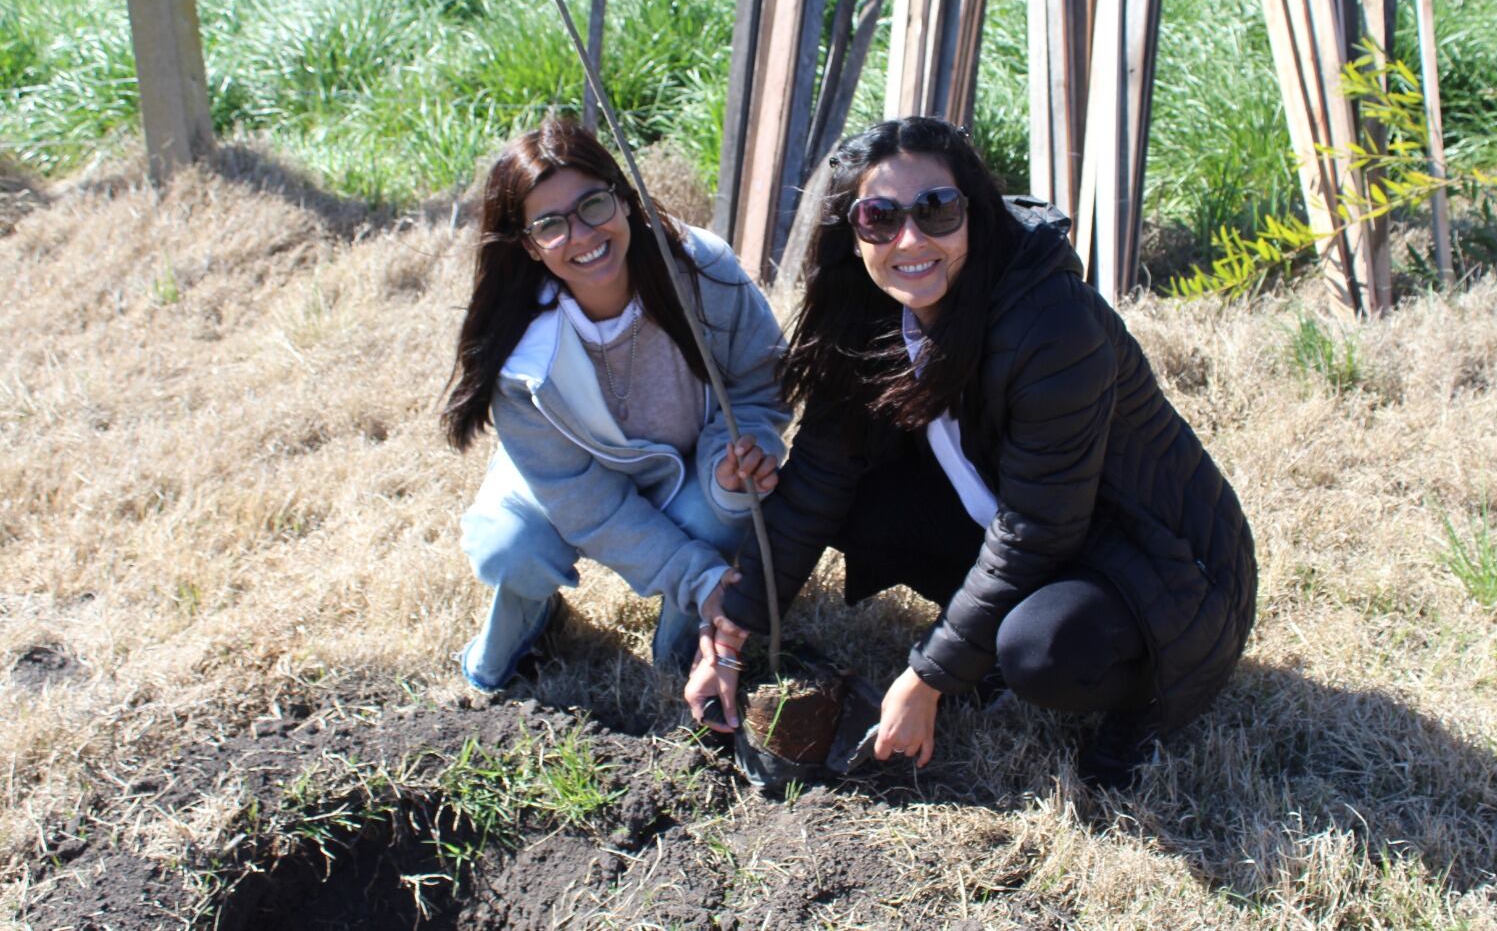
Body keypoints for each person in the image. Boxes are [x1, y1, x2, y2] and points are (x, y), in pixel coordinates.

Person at [686, 116, 1256, 788]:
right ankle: (992, 636)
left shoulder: (1052, 325)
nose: (911, 239)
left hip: (1162, 566)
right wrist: (735, 627)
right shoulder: (878, 310)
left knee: (1039, 651)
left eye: (936, 210)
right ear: (853, 232)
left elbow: (1040, 528)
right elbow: (818, 478)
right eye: (880, 217)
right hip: (1040, 535)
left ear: (975, 213)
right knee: (853, 500)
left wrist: (929, 676)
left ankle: (1146, 704)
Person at [442, 117, 788, 693]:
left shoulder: (702, 272)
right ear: (529, 245)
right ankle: (526, 623)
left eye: (593, 205)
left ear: (624, 201)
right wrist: (695, 573)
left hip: (688, 470)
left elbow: (760, 383)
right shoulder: (520, 358)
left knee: (729, 498)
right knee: (511, 548)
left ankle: (684, 647)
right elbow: (589, 505)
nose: (581, 235)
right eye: (550, 224)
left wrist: (739, 451)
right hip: (566, 487)